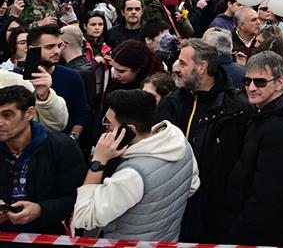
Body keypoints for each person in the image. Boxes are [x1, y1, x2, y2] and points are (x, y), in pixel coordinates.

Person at [156, 38, 253, 243]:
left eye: (183, 63)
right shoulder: (171, 103)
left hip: (215, 211)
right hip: (172, 206)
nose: (176, 68)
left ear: (202, 67)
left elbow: (244, 164)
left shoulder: (237, 109)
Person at [72, 89, 199, 242]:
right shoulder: (178, 143)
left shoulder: (132, 174)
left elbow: (84, 217)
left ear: (129, 129)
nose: (105, 128)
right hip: (167, 239)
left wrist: (98, 161)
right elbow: (192, 185)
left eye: (109, 123)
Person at [222, 51, 283, 246]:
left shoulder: (280, 131)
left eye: (260, 82)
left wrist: (239, 234)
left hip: (269, 233)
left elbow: (267, 196)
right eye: (247, 81)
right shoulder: (267, 115)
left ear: (280, 82)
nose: (251, 88)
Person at [0, 85, 85, 235]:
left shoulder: (62, 147)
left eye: (7, 115)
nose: (0, 122)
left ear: (29, 113)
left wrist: (41, 210)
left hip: (48, 235)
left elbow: (78, 198)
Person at [28, 25, 90, 140]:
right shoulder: (19, 79)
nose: (57, 51)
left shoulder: (72, 76)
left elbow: (82, 113)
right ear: (32, 49)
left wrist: (72, 137)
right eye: (49, 47)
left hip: (60, 147)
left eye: (59, 46)